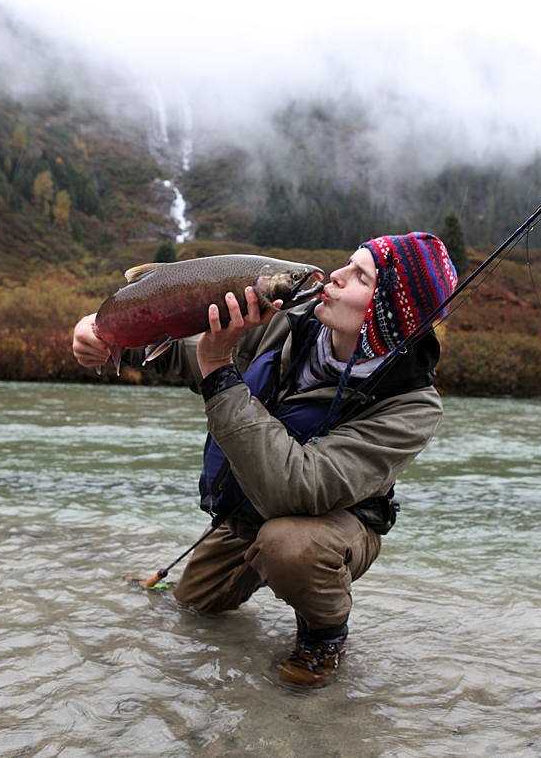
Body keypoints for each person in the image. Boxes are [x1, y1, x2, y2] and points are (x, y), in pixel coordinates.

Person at [73, 232, 457, 687]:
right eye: (347, 263)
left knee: (290, 547)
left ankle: (324, 635)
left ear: (387, 312)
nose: (335, 274)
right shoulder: (289, 323)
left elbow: (298, 488)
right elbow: (185, 354)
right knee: (193, 605)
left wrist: (219, 368)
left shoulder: (411, 405)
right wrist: (103, 335)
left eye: (359, 276)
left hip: (328, 527)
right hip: (247, 508)